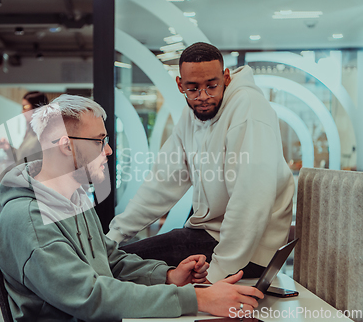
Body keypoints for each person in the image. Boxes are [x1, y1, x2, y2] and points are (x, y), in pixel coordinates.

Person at [0, 94, 263, 321]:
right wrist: (197, 297)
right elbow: (90, 296)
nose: (108, 151)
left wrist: (167, 276)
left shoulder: (73, 199)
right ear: (65, 146)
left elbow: (110, 261)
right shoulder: (28, 220)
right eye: (99, 141)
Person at [107, 42, 295, 284]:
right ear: (180, 85)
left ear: (226, 78)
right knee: (118, 259)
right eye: (193, 89)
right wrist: (114, 235)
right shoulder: (192, 114)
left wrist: (216, 274)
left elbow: (251, 198)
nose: (203, 96)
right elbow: (163, 182)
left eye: (212, 86)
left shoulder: (248, 108)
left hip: (251, 252)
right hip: (208, 236)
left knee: (119, 264)